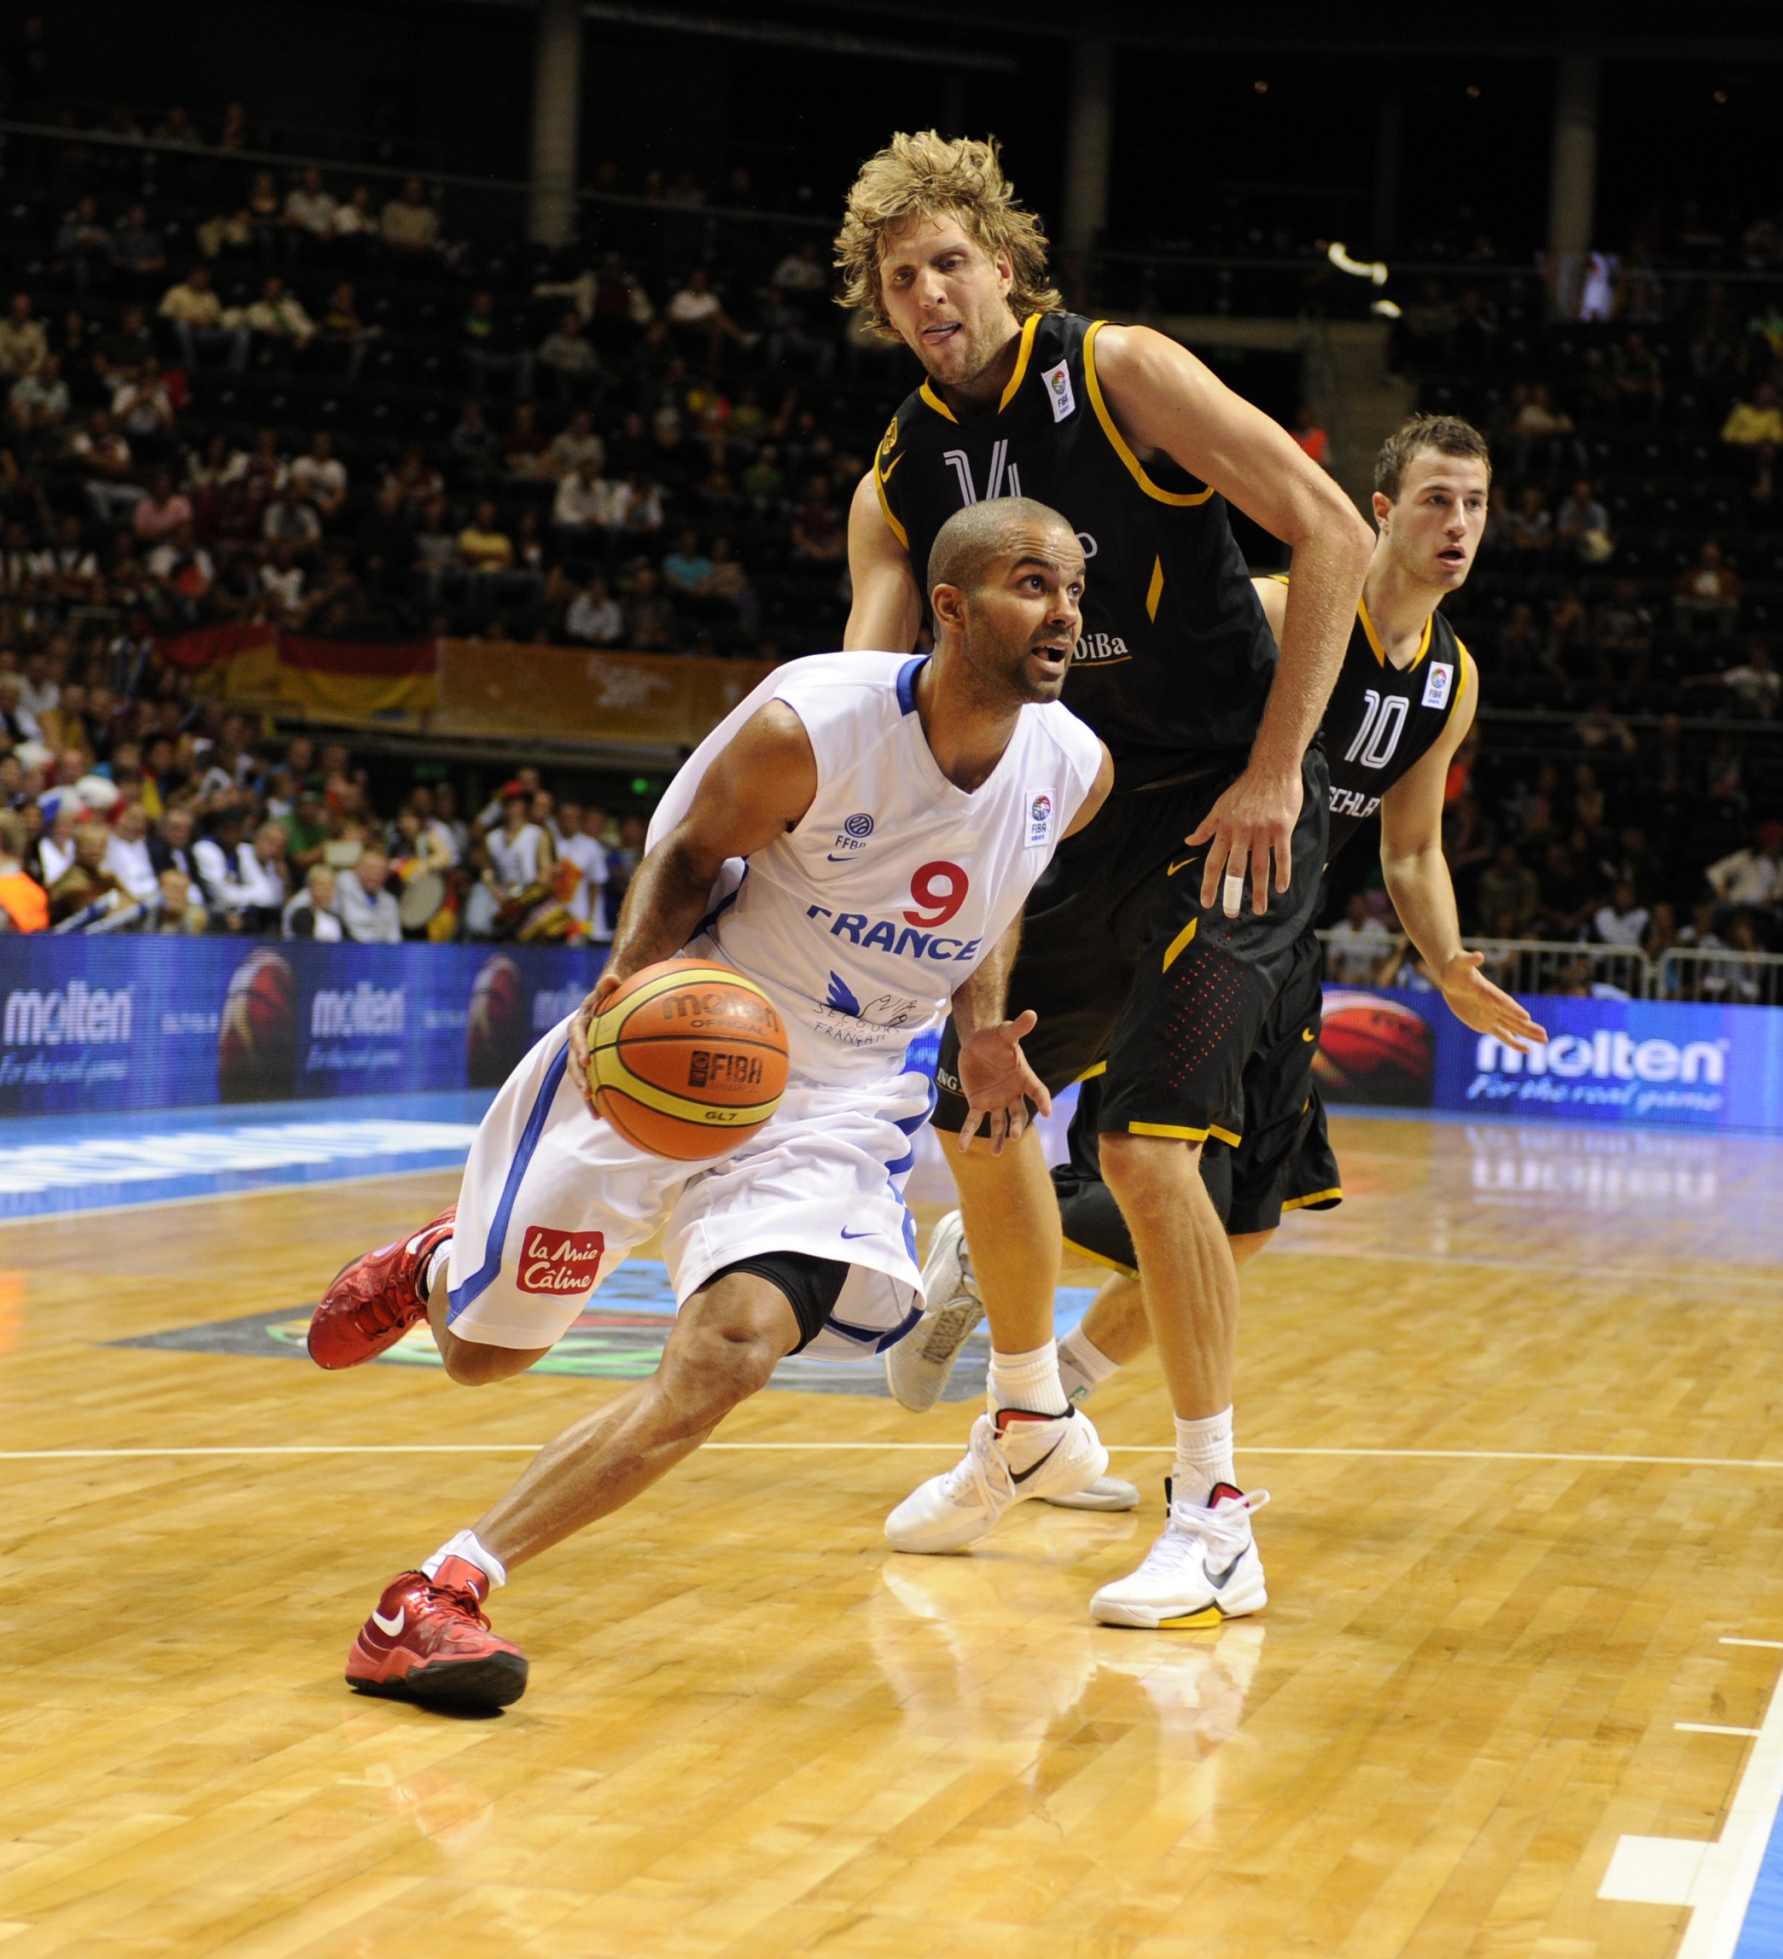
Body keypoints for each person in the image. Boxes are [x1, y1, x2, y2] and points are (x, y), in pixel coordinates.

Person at [304, 499, 1111, 1709]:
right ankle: (435, 1269)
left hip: (839, 1095)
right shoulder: (814, 725)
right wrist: (626, 993)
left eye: (1070, 591)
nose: (1063, 613)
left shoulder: (1074, 768)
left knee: (733, 1348)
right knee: (480, 1357)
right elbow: (688, 857)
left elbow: (992, 901)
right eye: (1031, 585)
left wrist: (981, 1025)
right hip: (685, 1034)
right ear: (948, 608)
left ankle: (436, 1592)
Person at [837, 130, 1374, 1626]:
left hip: (1234, 807)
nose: (930, 290)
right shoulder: (901, 475)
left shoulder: (1121, 369)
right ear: (882, 312)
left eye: (950, 261)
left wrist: (1279, 769)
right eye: (901, 278)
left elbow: (1332, 528)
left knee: (1150, 1155)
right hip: (1071, 812)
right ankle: (1027, 1417)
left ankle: (1212, 1515)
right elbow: (876, 695)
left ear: (1005, 268)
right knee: (979, 1098)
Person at [887, 422, 1543, 1488]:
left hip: (1265, 933)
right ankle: (1026, 1304)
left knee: (1239, 1221)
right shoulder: (1280, 608)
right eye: (1433, 500)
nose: (1456, 524)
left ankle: (1048, 1390)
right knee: (1050, 1124)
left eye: (1472, 504)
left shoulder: (1449, 680)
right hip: (1149, 895)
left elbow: (1410, 845)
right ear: (1377, 511)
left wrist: (1451, 959)